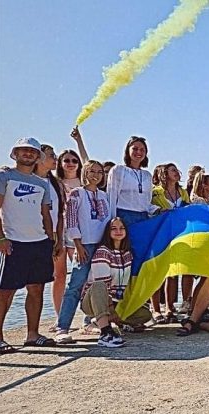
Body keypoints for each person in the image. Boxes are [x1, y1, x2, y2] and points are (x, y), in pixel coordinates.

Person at [0, 138, 56, 353]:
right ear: (15, 153)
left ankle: (33, 335)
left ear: (38, 156)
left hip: (38, 243)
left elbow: (45, 214)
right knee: (5, 291)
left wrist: (50, 240)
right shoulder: (4, 176)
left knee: (37, 288)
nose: (28, 154)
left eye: (32, 151)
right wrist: (0, 238)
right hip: (13, 242)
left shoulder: (42, 184)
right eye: (24, 150)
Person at [55, 160, 111, 343]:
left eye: (99, 172)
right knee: (76, 285)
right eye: (92, 171)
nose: (96, 175)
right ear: (85, 172)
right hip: (84, 245)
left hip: (101, 246)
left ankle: (91, 321)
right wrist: (78, 245)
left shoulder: (104, 195)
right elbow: (71, 221)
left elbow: (107, 220)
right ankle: (62, 327)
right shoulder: (76, 193)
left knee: (98, 283)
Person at [80, 218, 152, 347]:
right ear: (108, 232)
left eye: (122, 228)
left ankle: (101, 322)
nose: (118, 231)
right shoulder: (103, 252)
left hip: (116, 301)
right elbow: (102, 283)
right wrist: (111, 310)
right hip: (94, 301)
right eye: (114, 229)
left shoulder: (128, 254)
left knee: (144, 315)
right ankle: (105, 333)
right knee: (99, 285)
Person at [151, 163, 193, 320]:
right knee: (157, 273)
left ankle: (170, 307)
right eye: (173, 170)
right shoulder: (155, 192)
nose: (177, 172)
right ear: (164, 173)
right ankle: (156, 309)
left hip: (180, 235)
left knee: (173, 273)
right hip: (160, 235)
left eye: (177, 170)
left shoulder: (182, 192)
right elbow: (149, 211)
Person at [34, 144, 66, 326]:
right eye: (51, 155)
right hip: (34, 235)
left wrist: (59, 239)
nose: (55, 159)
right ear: (39, 158)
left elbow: (60, 214)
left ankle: (60, 317)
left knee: (59, 275)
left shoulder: (56, 183)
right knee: (34, 281)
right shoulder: (30, 180)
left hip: (54, 235)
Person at [107, 136, 159, 227]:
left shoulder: (147, 175)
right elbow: (111, 198)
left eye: (142, 150)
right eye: (135, 149)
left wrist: (157, 210)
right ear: (128, 150)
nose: (138, 152)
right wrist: (113, 223)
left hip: (144, 218)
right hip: (124, 217)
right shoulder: (118, 170)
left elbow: (147, 202)